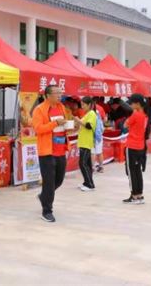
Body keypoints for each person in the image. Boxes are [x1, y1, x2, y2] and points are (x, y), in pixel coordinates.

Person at [32, 85, 68, 222]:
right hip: (47, 152)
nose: (59, 95)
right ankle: (46, 211)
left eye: (60, 92)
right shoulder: (39, 109)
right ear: (47, 95)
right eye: (56, 93)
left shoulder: (61, 107)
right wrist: (54, 123)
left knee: (59, 180)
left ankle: (43, 196)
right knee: (49, 182)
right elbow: (38, 129)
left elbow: (63, 126)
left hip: (61, 149)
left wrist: (72, 126)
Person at [123, 94, 149, 205]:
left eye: (132, 103)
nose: (130, 105)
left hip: (132, 146)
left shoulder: (136, 115)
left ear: (137, 104)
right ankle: (139, 195)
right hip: (140, 146)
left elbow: (125, 125)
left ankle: (134, 195)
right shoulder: (145, 116)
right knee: (138, 171)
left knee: (131, 171)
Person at [74, 96, 96, 191]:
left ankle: (90, 184)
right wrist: (77, 123)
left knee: (82, 163)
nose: (82, 106)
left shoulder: (91, 113)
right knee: (87, 163)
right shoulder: (86, 114)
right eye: (81, 104)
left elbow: (88, 126)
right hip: (83, 141)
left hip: (86, 142)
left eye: (83, 105)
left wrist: (78, 121)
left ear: (89, 105)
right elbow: (81, 126)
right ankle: (87, 182)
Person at [92, 99, 106, 173]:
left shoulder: (91, 113)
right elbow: (105, 119)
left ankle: (92, 168)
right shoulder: (99, 110)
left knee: (93, 152)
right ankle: (101, 167)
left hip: (93, 135)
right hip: (99, 134)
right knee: (99, 152)